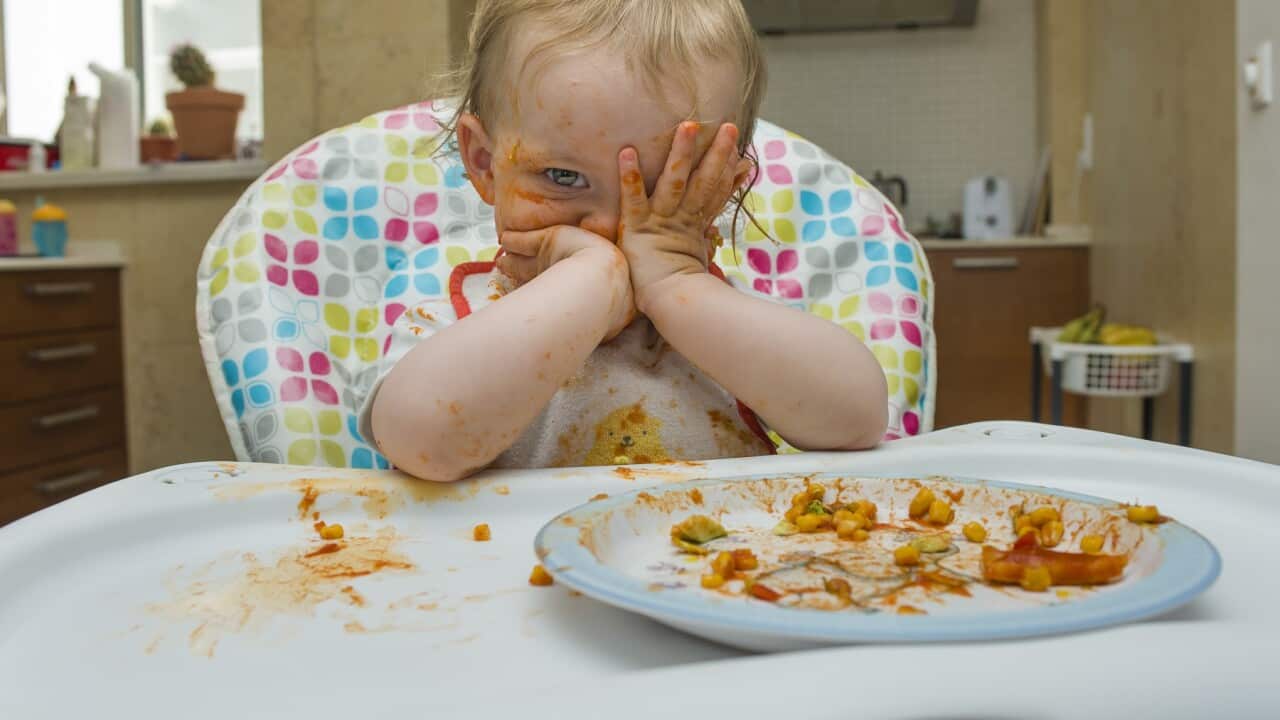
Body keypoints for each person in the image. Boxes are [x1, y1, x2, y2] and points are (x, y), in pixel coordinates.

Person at [360, 0, 888, 481]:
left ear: (724, 185)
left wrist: (679, 287)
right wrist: (591, 281)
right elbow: (422, 442)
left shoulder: (728, 328)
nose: (612, 230)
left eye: (663, 190)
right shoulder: (457, 329)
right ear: (483, 164)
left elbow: (858, 420)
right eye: (563, 177)